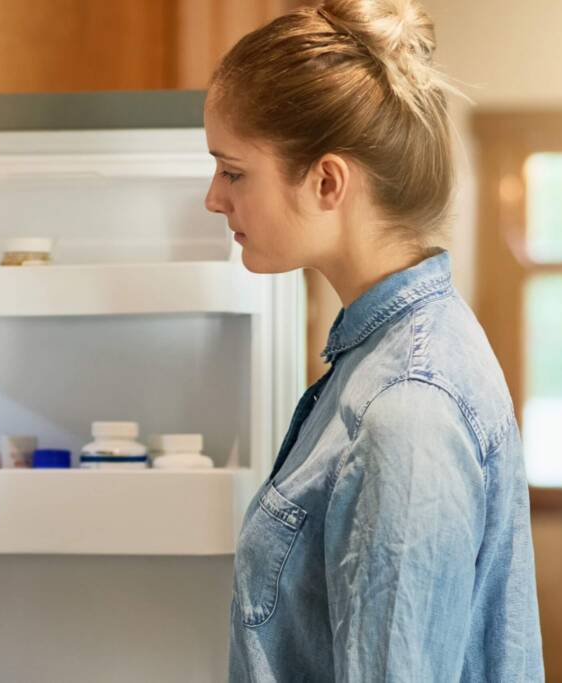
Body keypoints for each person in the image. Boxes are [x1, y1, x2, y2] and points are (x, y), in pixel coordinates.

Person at [204, 1, 544, 680]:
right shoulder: (382, 358)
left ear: (327, 181)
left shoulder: (407, 412)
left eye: (234, 171)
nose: (215, 197)